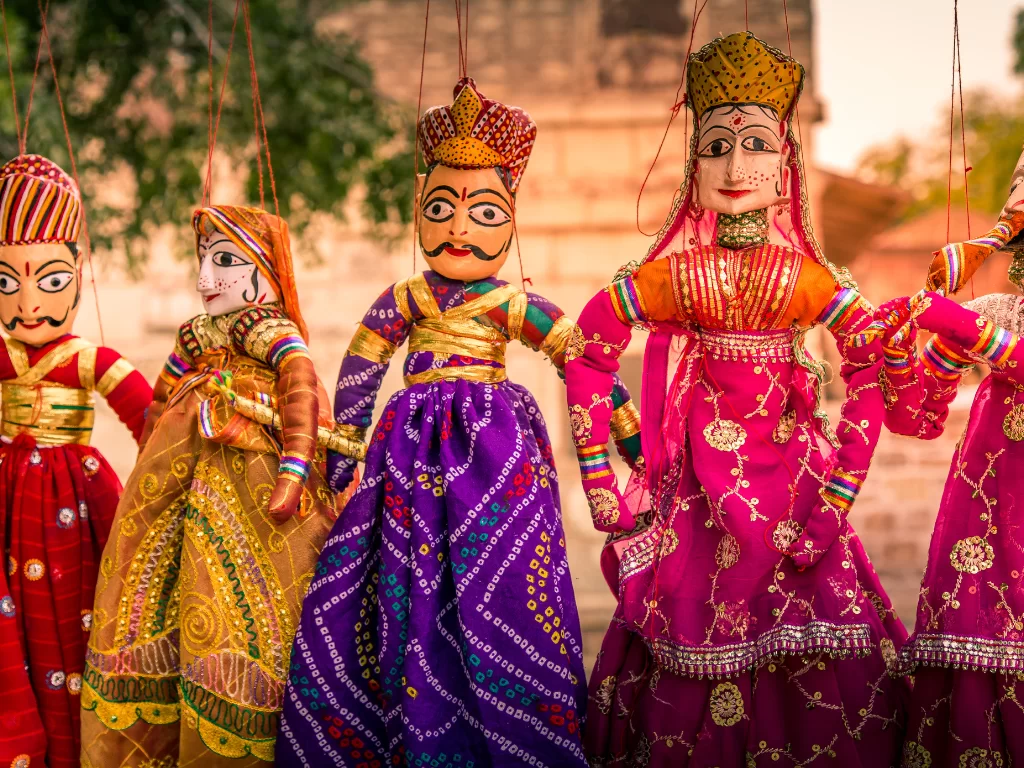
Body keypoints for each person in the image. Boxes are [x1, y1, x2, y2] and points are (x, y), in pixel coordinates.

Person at [566, 32, 909, 765]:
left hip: (797, 498)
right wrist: (607, 474)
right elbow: (588, 351)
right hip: (692, 494)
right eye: (715, 147)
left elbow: (871, 368)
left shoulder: (810, 282)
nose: (734, 165)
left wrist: (838, 493)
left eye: (755, 143)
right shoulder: (671, 278)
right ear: (693, 168)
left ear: (786, 162)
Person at [277, 78, 639, 767]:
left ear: (511, 218)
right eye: (441, 207)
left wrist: (627, 430)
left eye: (483, 210)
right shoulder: (407, 296)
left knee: (506, 590)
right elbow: (361, 366)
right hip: (404, 453)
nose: (459, 228)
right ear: (419, 209)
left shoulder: (512, 301)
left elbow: (581, 359)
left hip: (498, 456)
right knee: (401, 589)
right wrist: (342, 461)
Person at [81, 205, 340, 767]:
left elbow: (300, 391)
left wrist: (294, 471)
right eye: (204, 260)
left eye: (226, 262)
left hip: (256, 479)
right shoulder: (197, 334)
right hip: (176, 480)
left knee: (257, 610)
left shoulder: (272, 332)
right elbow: (157, 399)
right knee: (153, 599)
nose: (206, 279)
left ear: (266, 270)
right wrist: (145, 460)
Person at [0, 154, 151, 768]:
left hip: (75, 502)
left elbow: (152, 424)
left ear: (78, 274)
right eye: (8, 282)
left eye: (51, 281)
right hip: (9, 494)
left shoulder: (92, 360)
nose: (30, 303)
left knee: (83, 614)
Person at [873, 154, 1024, 766]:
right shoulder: (992, 313)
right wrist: (893, 349)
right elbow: (918, 418)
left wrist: (952, 320)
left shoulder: (983, 322)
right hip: (985, 516)